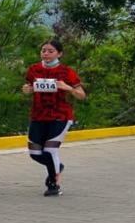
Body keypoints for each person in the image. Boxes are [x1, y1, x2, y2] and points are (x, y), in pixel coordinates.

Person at [21, 39, 86, 196]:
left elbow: (82, 95)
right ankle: (57, 167)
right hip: (38, 115)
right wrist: (26, 90)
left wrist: (67, 87)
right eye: (43, 50)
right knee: (35, 153)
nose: (46, 54)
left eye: (51, 51)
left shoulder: (66, 72)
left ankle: (53, 184)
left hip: (60, 115)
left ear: (59, 53)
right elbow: (27, 88)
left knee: (50, 150)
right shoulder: (33, 69)